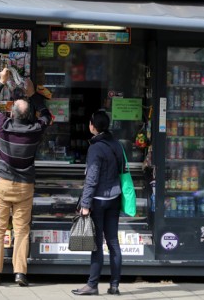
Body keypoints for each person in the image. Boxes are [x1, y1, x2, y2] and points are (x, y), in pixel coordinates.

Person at [0, 67, 52, 287]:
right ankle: (20, 274)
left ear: (12, 114)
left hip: (3, 184)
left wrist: (1, 82)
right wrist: (33, 95)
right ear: (29, 115)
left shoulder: (3, 126)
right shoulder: (35, 129)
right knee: (22, 229)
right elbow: (46, 116)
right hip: (25, 186)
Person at [71, 109, 124, 296]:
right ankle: (115, 285)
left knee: (96, 244)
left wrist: (85, 204)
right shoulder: (116, 144)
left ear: (93, 126)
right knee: (113, 242)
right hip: (115, 198)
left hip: (99, 201)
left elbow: (92, 178)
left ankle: (92, 285)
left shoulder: (95, 148)